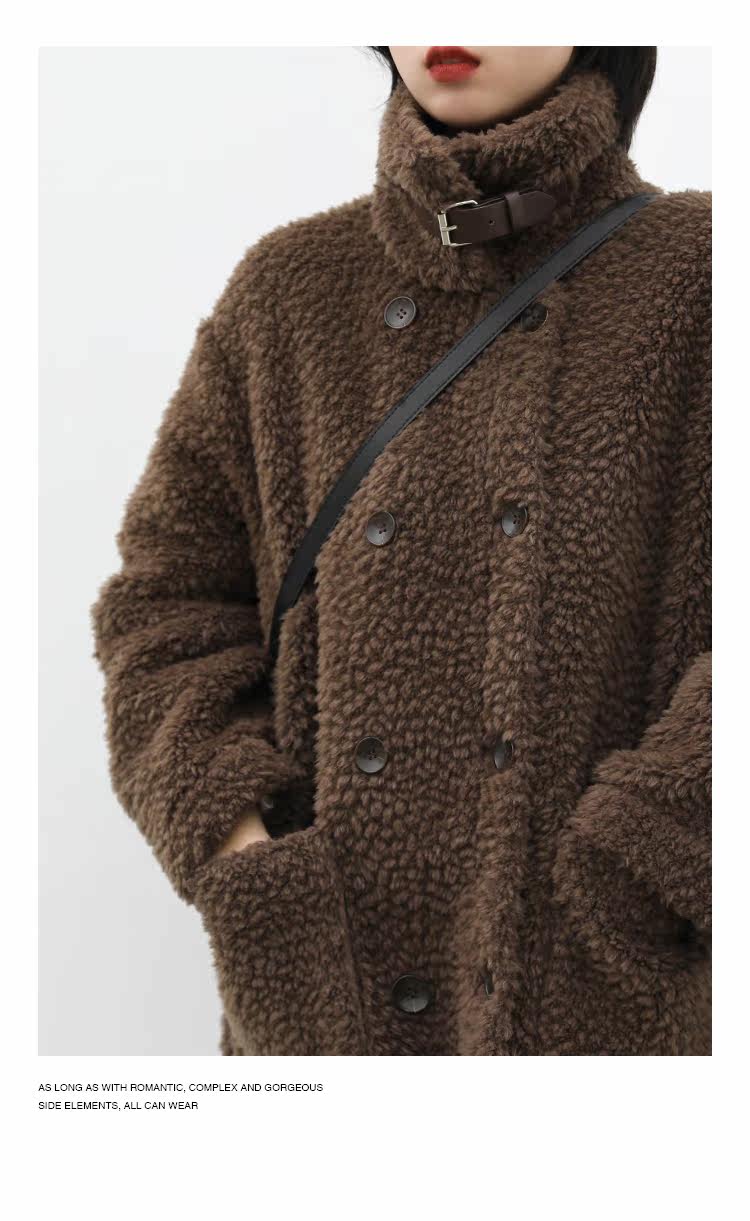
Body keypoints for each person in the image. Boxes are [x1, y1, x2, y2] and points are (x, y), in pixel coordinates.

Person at [91, 46, 711, 1056]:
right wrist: (246, 860)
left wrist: (650, 854)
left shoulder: (703, 272)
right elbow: (165, 609)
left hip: (610, 1000)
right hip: (325, 999)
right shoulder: (289, 290)